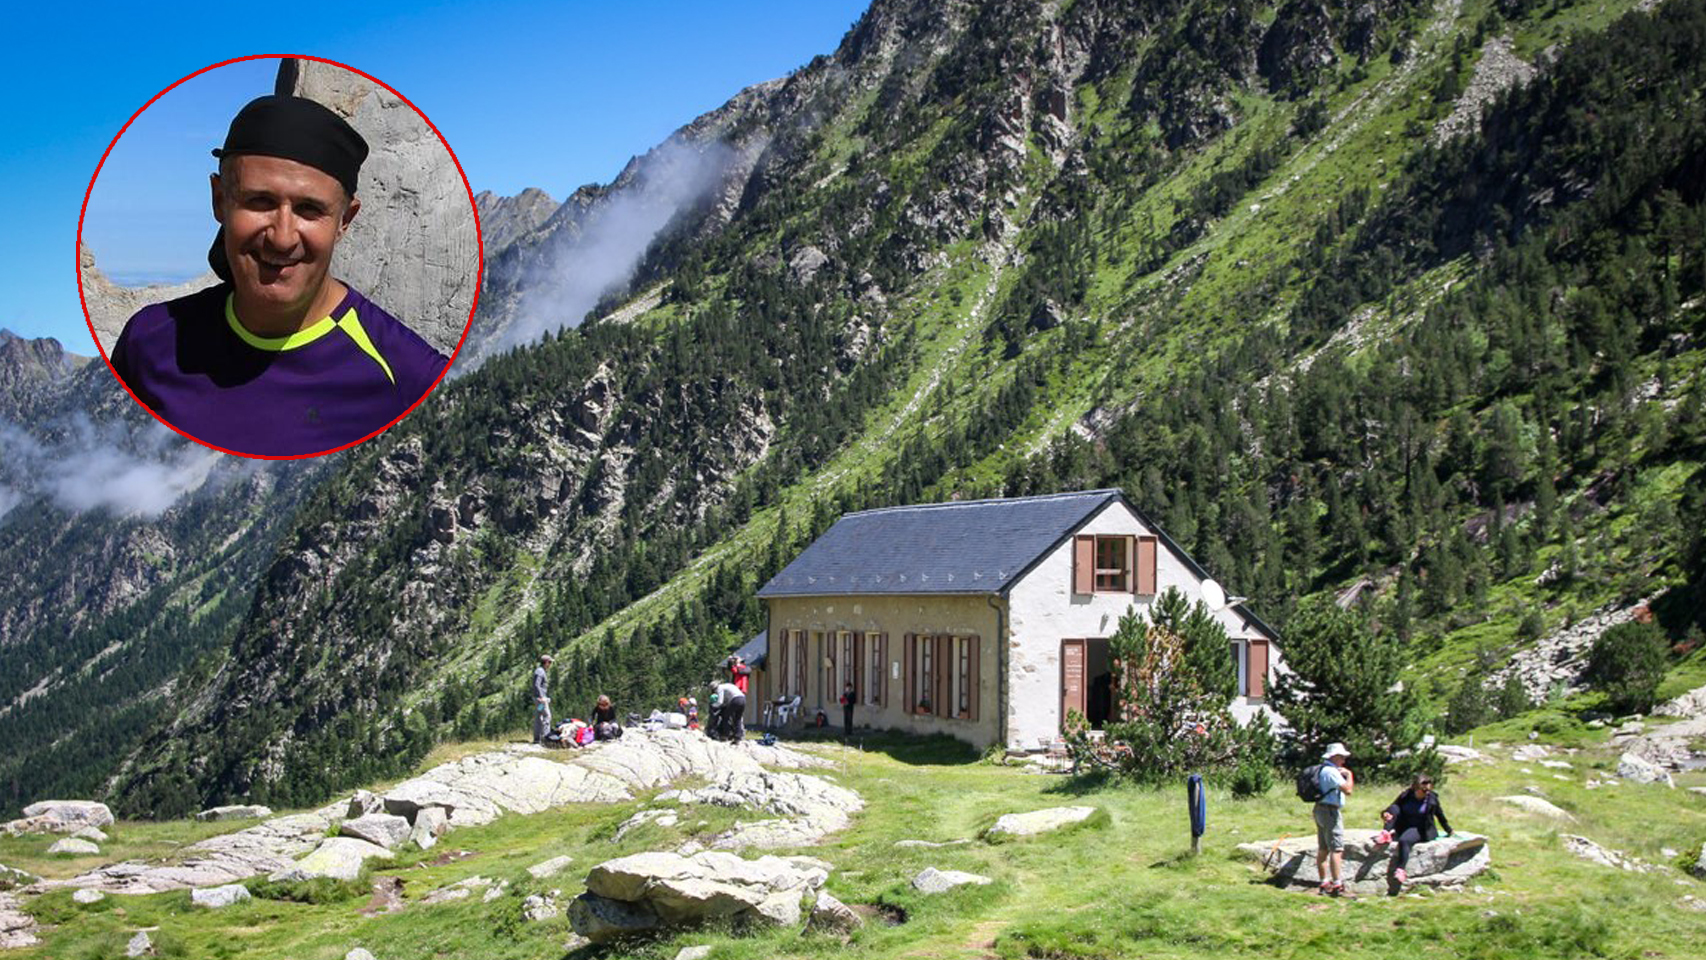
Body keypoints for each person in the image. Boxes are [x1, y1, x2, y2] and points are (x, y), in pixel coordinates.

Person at [109, 94, 449, 457]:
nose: (283, 237)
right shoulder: (148, 343)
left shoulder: (410, 378)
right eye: (260, 202)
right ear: (219, 201)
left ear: (344, 221)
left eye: (309, 209)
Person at [1381, 774, 1452, 887]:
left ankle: (1400, 869)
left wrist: (1449, 830)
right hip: (1404, 825)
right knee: (1394, 809)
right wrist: (1385, 814)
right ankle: (1385, 834)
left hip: (1420, 828)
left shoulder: (1432, 799)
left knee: (1404, 840)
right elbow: (1392, 807)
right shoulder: (1406, 795)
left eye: (1428, 790)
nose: (1426, 793)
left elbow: (1440, 815)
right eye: (1423, 791)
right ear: (1416, 788)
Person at [1313, 743, 1356, 897]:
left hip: (1319, 809)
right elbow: (1348, 790)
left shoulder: (1322, 770)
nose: (1343, 761)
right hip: (1330, 811)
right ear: (1335, 756)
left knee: (1323, 848)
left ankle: (1324, 882)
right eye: (1342, 757)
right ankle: (1337, 884)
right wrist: (1349, 775)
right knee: (1336, 849)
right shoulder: (1332, 772)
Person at [531, 655, 553, 744]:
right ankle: (545, 738)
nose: (550, 664)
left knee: (538, 716)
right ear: (546, 662)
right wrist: (541, 697)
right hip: (541, 699)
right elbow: (537, 685)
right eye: (550, 662)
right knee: (547, 716)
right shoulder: (540, 671)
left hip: (538, 699)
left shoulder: (539, 671)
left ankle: (537, 738)